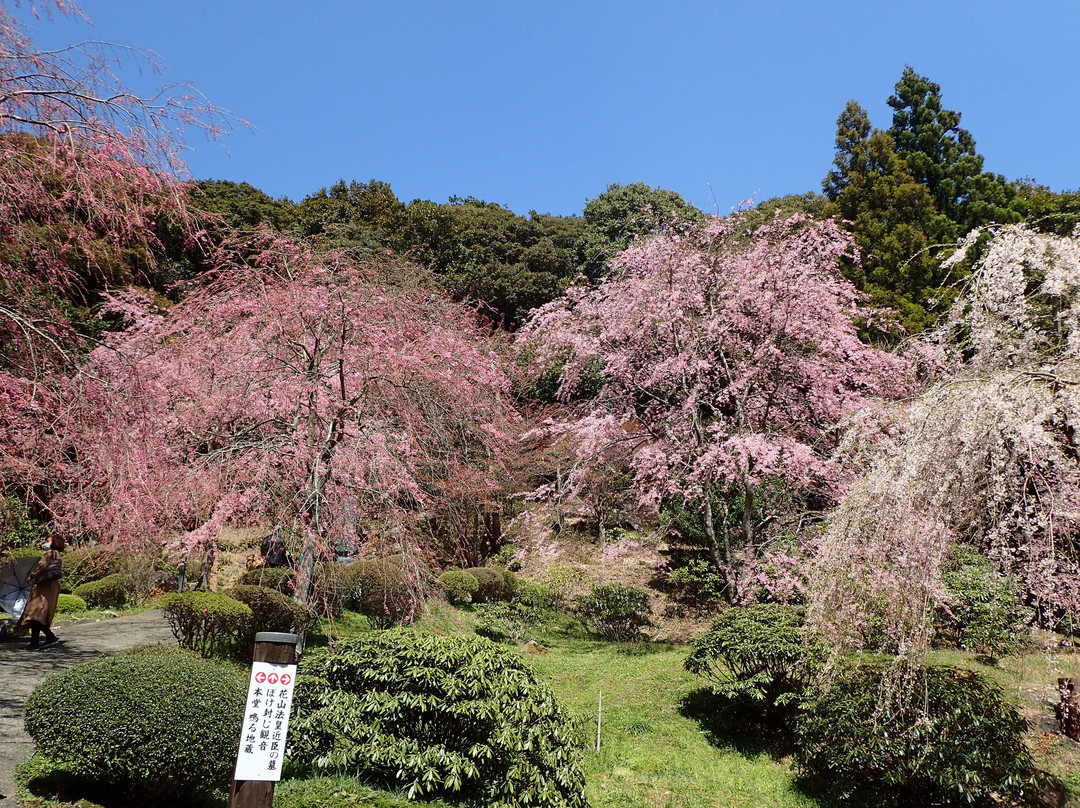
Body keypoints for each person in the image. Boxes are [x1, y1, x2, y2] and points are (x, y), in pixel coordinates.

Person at [19, 535, 65, 649]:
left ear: (54, 542)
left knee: (36, 612)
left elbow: (41, 565)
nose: (45, 543)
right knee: (39, 614)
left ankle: (46, 638)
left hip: (44, 585)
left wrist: (32, 575)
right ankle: (36, 641)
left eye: (48, 540)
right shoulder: (57, 555)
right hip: (52, 584)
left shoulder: (49, 554)